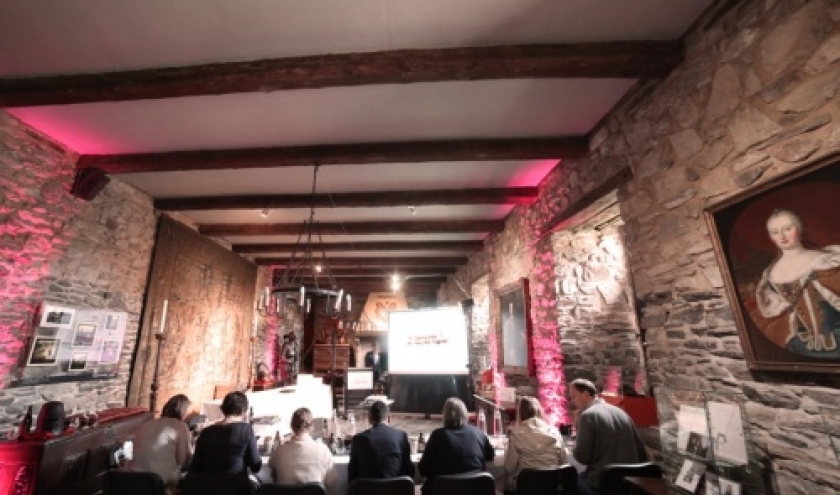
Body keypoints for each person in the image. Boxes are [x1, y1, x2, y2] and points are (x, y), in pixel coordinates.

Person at [753, 208, 840, 358]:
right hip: (802, 345)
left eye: (787, 229)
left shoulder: (824, 261)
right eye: (775, 232)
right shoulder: (770, 274)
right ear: (771, 237)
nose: (782, 236)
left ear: (798, 228)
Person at [569, 379, 647, 495]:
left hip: (603, 482)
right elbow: (641, 451)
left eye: (573, 397)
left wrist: (575, 442)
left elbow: (582, 457)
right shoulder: (621, 412)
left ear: (585, 394)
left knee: (569, 480)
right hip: (630, 482)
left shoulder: (587, 416)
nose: (572, 401)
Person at [418, 397, 495, 494]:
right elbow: (490, 456)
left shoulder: (437, 436)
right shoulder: (478, 433)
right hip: (476, 489)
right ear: (465, 413)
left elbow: (423, 469)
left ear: (445, 415)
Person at [188, 391, 261, 479]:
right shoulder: (246, 430)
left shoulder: (206, 432)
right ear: (243, 411)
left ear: (223, 409)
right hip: (236, 487)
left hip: (207, 486)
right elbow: (256, 466)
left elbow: (195, 466)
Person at [130, 394, 193, 492]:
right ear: (182, 411)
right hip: (161, 483)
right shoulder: (180, 426)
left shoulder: (147, 424)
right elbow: (183, 461)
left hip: (136, 480)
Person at [503, 396, 566, 492]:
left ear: (520, 413)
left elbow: (509, 468)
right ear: (540, 411)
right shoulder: (555, 432)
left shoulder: (516, 434)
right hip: (553, 486)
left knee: (503, 482)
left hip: (526, 487)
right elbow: (563, 461)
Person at [268, 407, 337, 492]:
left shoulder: (279, 451)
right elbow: (331, 482)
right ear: (312, 426)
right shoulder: (323, 451)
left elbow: (271, 467)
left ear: (292, 426)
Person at [348, 400, 414, 483]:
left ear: (370, 419)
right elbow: (410, 471)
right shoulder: (401, 437)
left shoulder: (358, 439)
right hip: (396, 490)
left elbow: (352, 475)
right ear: (389, 418)